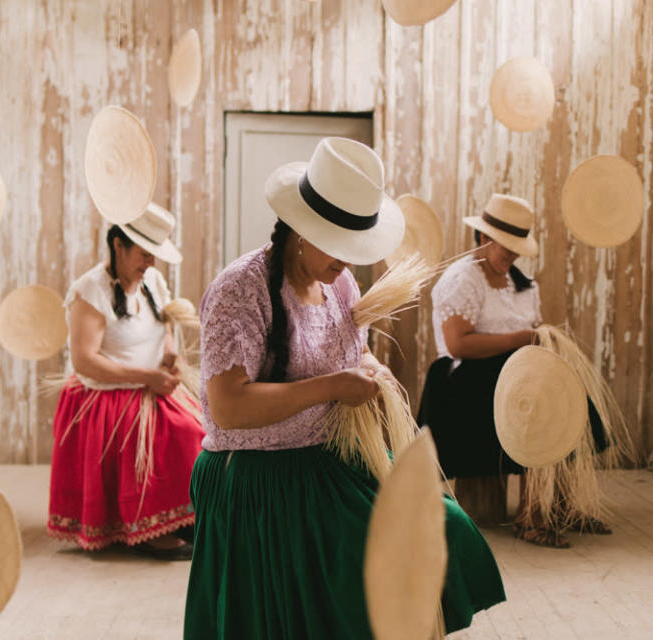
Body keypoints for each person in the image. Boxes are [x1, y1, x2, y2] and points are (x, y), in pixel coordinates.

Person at [183, 137, 505, 638]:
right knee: (336, 593)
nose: (349, 264)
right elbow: (227, 407)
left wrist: (371, 370)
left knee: (443, 530)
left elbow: (351, 351)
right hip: (255, 478)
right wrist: (333, 385)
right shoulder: (239, 291)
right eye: (341, 247)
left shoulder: (340, 283)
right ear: (302, 232)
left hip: (327, 457)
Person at [418, 194, 610, 549]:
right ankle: (531, 517)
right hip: (465, 378)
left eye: (516, 248)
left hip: (512, 369)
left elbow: (532, 332)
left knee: (563, 396)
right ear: (483, 239)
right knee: (536, 402)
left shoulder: (521, 283)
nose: (511, 255)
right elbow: (459, 345)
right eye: (505, 247)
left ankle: (558, 507)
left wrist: (537, 343)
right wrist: (521, 339)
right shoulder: (463, 279)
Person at [47, 204, 205, 560]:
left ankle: (181, 519)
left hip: (152, 383)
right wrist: (146, 376)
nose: (149, 263)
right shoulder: (91, 289)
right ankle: (149, 528)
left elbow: (164, 327)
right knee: (181, 433)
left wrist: (169, 359)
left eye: (154, 256)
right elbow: (85, 360)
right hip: (110, 394)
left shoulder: (152, 281)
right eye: (144, 254)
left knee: (200, 430)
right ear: (118, 245)